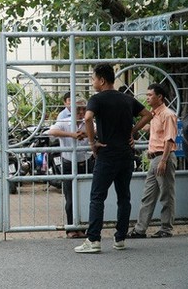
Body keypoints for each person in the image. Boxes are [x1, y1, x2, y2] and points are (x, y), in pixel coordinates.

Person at [74, 63, 152, 254]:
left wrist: (93, 144)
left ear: (101, 80)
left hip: (107, 154)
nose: (92, 82)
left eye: (93, 79)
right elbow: (148, 114)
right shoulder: (127, 99)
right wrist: (131, 132)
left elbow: (87, 118)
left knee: (97, 196)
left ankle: (93, 240)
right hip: (126, 154)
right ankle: (120, 239)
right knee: (124, 197)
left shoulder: (97, 99)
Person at [128, 84, 178, 239]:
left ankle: (166, 228)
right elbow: (148, 129)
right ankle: (140, 229)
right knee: (148, 195)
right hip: (155, 158)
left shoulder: (167, 115)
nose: (147, 98)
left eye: (150, 95)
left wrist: (164, 160)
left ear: (160, 97)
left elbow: (169, 140)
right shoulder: (154, 114)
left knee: (166, 194)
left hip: (164, 157)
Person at [49, 98, 94, 239]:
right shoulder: (64, 122)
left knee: (85, 197)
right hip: (68, 163)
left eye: (83, 109)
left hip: (86, 162)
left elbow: (98, 132)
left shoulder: (90, 123)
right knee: (70, 198)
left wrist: (88, 134)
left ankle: (82, 227)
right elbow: (51, 131)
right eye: (78, 109)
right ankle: (71, 228)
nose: (81, 112)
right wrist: (72, 135)